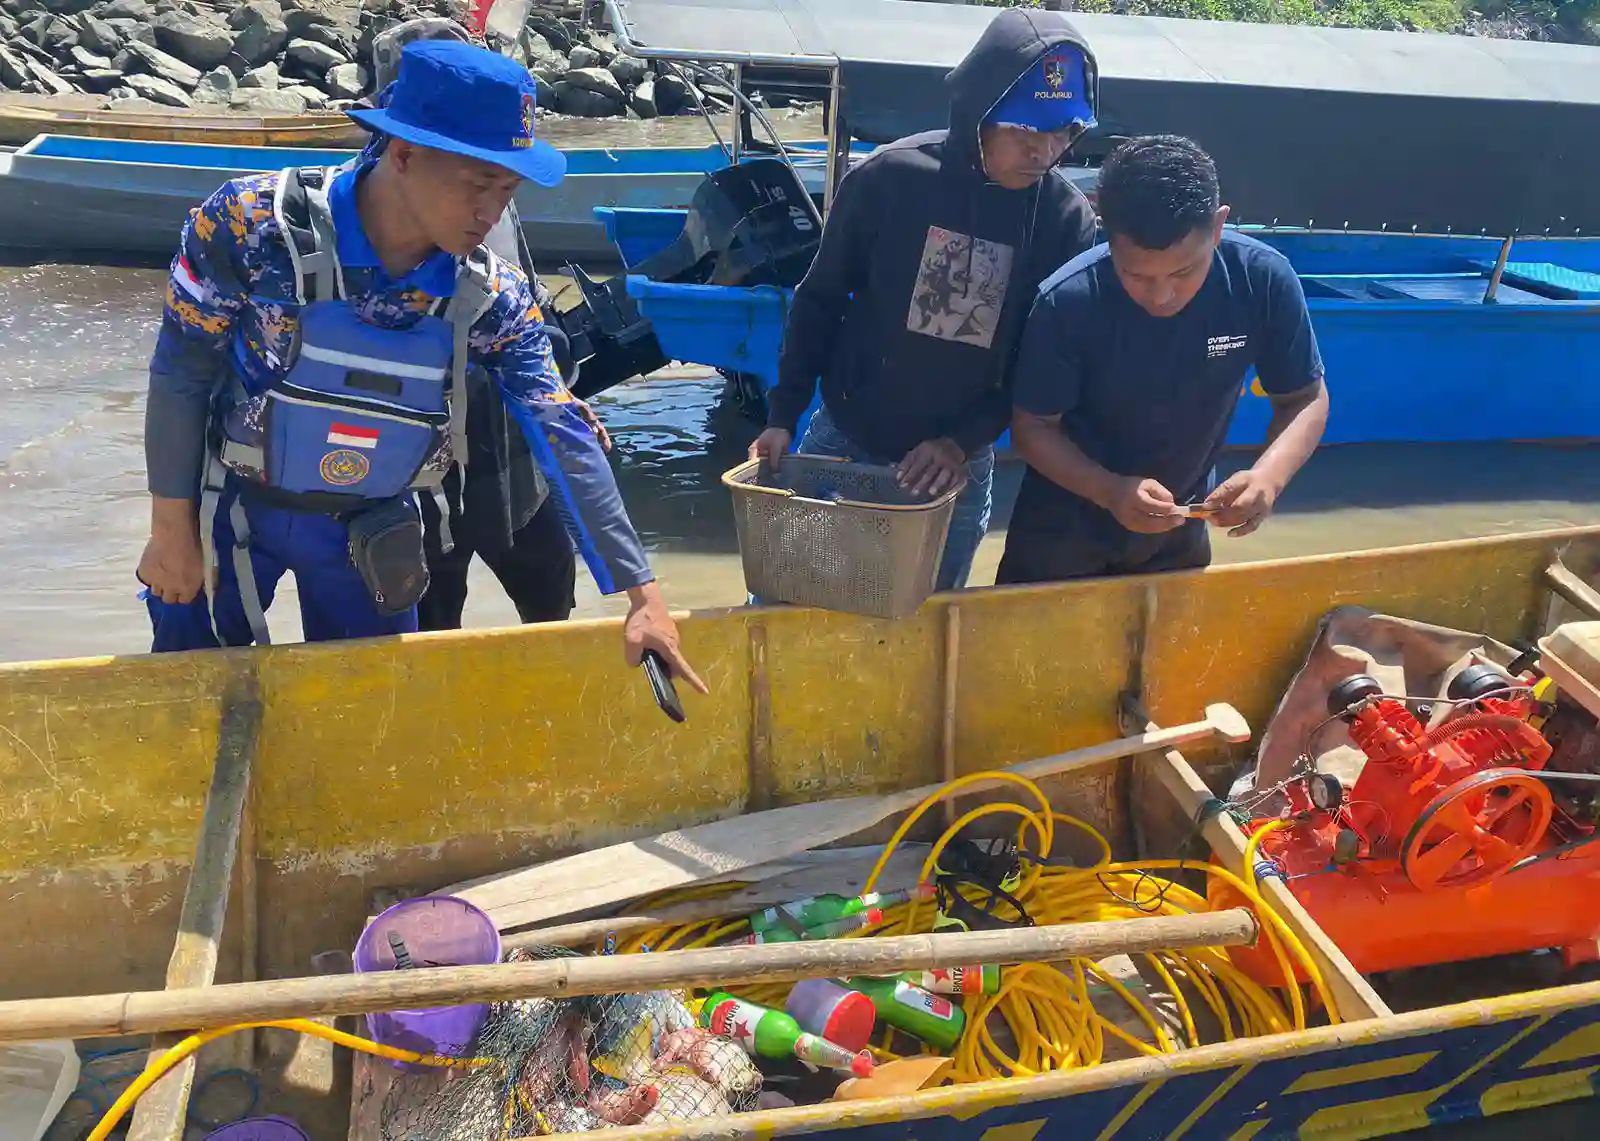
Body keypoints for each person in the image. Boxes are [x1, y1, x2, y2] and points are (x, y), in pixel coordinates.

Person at [136, 39, 706, 693]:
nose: (491, 212)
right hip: (229, 512)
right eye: (477, 184)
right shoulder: (249, 226)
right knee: (184, 698)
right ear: (402, 153)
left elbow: (560, 427)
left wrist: (643, 596)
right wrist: (168, 530)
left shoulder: (492, 296)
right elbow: (180, 372)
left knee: (369, 718)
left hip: (366, 531)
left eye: (508, 190)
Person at [748, 9, 1101, 592]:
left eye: (1062, 132)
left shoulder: (1066, 221)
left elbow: (1039, 361)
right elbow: (821, 299)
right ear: (979, 113)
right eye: (1024, 132)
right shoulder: (890, 179)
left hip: (957, 459)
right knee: (789, 594)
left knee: (930, 621)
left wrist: (962, 441)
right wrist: (783, 414)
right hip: (848, 433)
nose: (1044, 151)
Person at [997, 135, 1330, 585]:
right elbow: (1032, 428)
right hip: (1062, 528)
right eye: (1135, 274)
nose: (1162, 295)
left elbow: (1305, 398)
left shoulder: (1261, 280)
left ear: (1217, 227)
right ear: (1107, 234)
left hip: (1181, 526)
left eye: (1183, 271)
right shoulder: (1067, 302)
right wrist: (1109, 490)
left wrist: (1267, 477)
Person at [360, 16, 601, 630]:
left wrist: (561, 391)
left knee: (548, 588)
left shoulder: (488, 185)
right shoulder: (381, 204)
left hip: (505, 435)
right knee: (433, 613)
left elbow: (522, 296)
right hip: (417, 456)